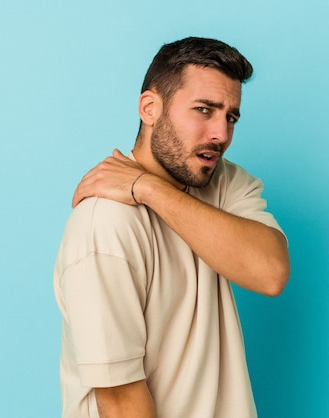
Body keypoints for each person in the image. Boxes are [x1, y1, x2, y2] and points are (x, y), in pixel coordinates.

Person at [53, 36, 290, 418]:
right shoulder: (105, 224)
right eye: (204, 110)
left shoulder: (224, 182)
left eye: (230, 116)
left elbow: (270, 273)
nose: (221, 134)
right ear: (149, 108)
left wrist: (147, 188)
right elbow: (119, 401)